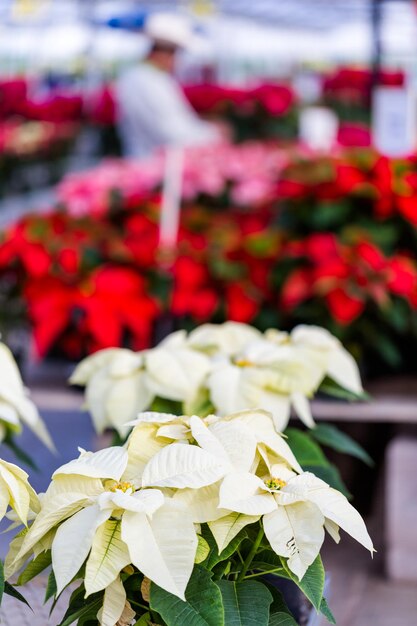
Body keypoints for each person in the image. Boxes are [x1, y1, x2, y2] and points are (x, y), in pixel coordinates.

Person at [115, 13, 221, 158]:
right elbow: (171, 131)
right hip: (154, 162)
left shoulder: (144, 77)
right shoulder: (147, 81)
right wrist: (213, 133)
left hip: (148, 158)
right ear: (162, 53)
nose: (177, 61)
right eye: (175, 54)